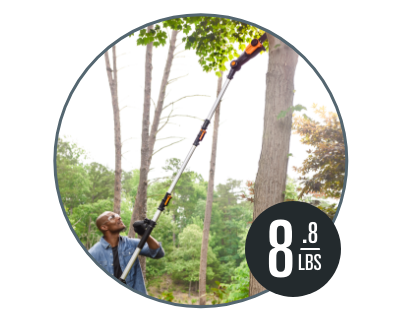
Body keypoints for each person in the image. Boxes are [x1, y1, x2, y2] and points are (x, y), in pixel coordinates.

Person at [88, 211, 164, 294]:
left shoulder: (131, 244)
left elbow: (157, 253)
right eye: (112, 217)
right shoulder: (93, 253)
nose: (119, 217)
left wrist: (144, 234)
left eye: (117, 215)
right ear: (104, 227)